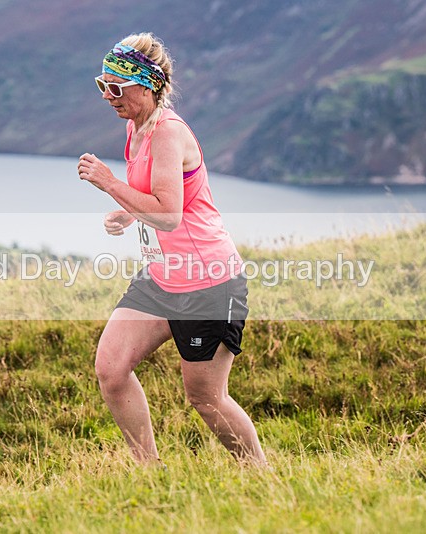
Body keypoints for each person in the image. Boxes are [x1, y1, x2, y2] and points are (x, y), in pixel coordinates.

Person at [77, 33, 267, 467]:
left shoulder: (167, 134)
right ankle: (150, 472)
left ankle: (260, 475)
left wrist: (109, 183)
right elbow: (156, 194)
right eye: (102, 84)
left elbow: (168, 214)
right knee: (111, 369)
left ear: (148, 84)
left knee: (205, 397)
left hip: (208, 283)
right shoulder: (135, 127)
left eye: (117, 87)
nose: (108, 96)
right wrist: (126, 212)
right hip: (163, 276)